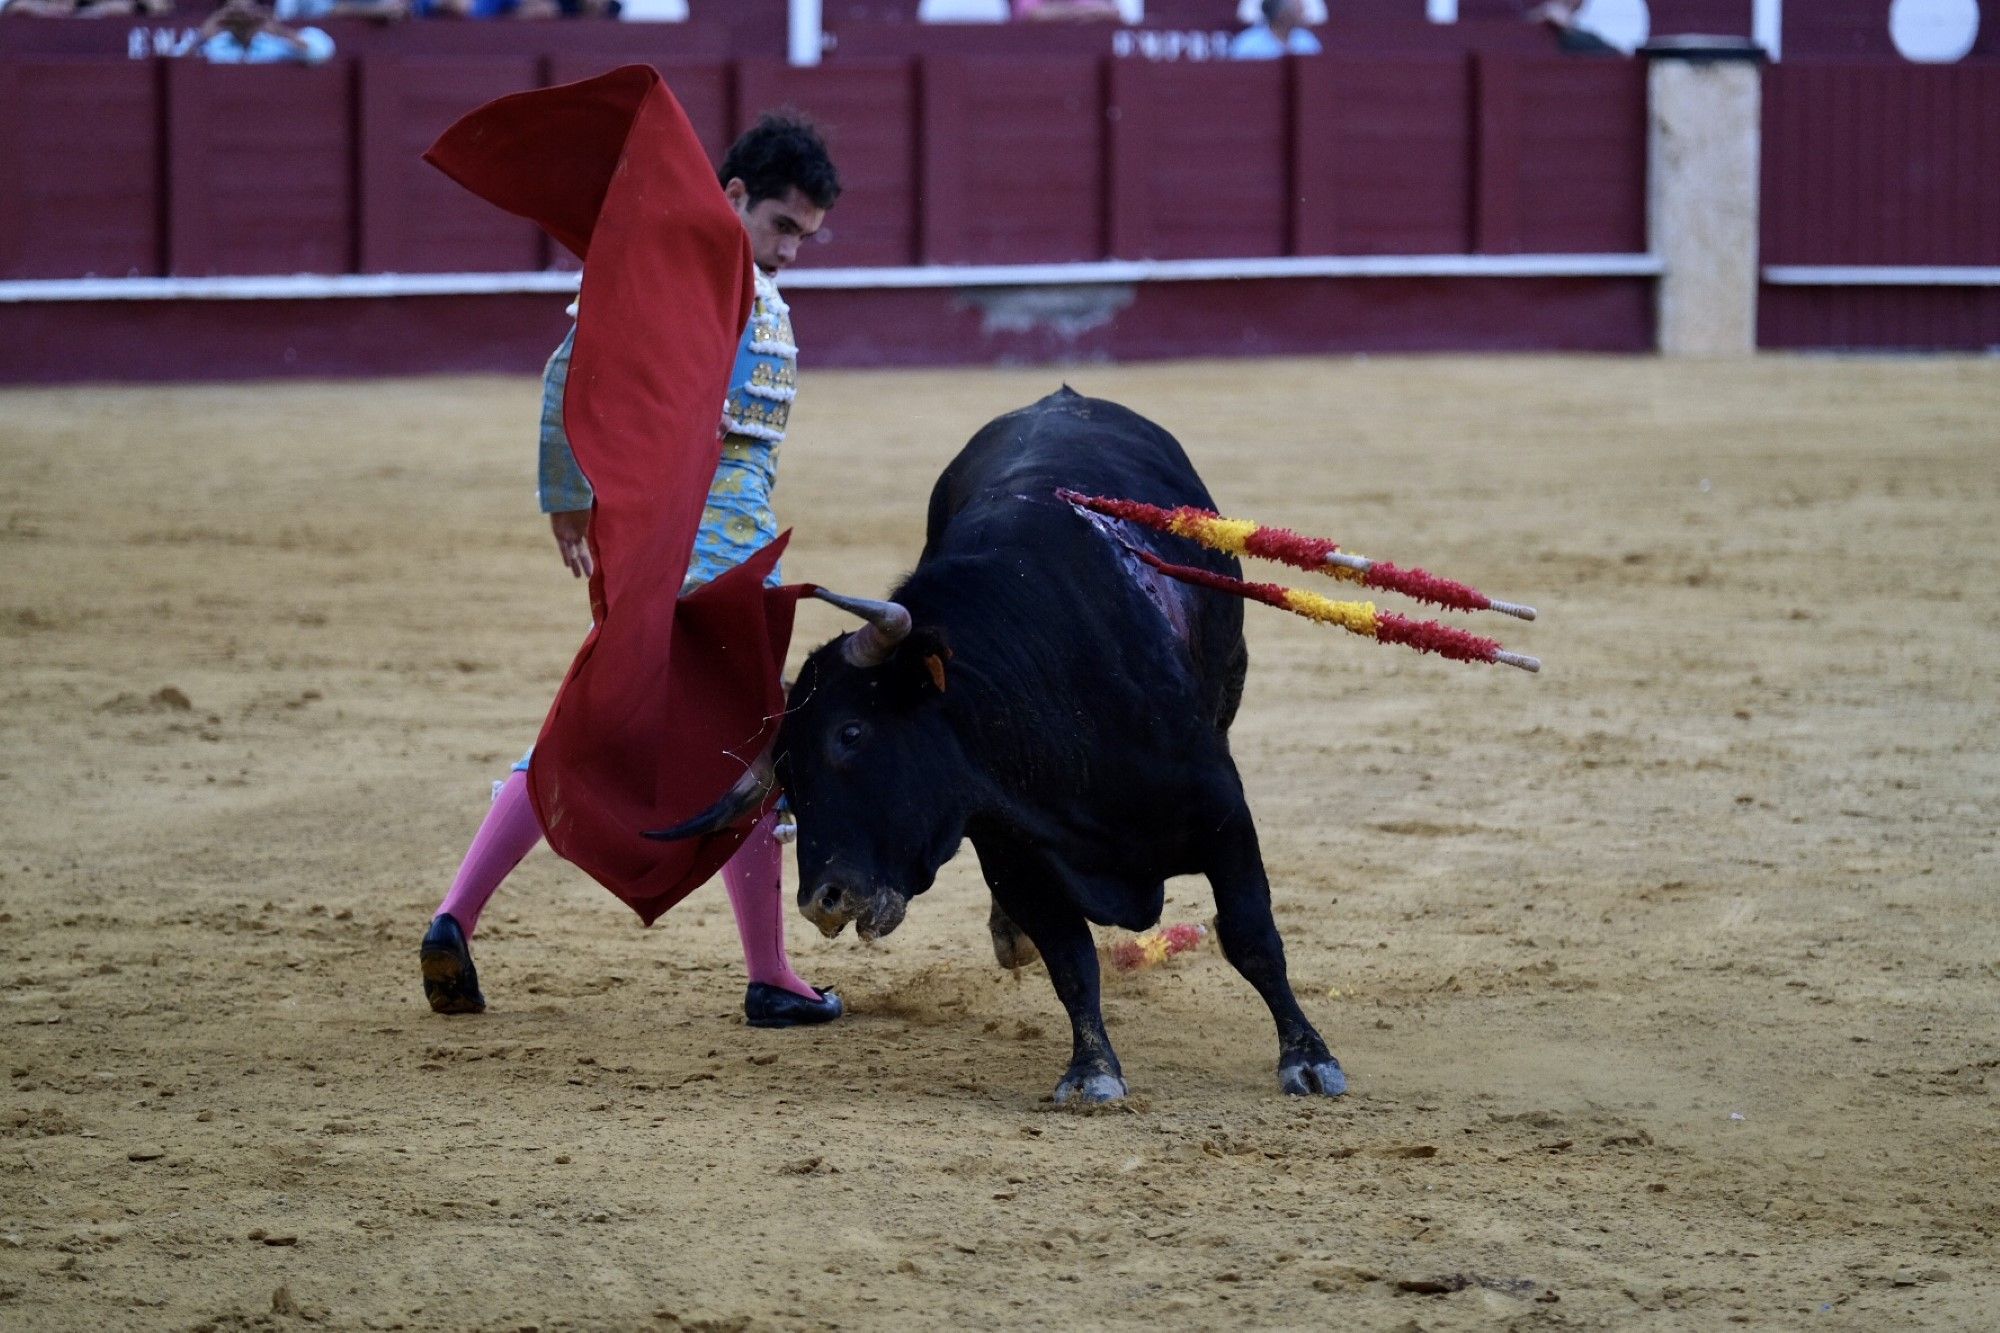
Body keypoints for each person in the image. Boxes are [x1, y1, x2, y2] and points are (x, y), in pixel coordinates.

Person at [421, 111, 846, 1030]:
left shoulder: (720, 277)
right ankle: (772, 974)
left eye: (806, 239)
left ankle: (454, 914)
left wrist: (578, 500)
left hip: (676, 553)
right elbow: (574, 362)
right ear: (732, 196)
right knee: (749, 755)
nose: (792, 252)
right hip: (715, 564)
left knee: (591, 734)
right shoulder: (693, 267)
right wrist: (564, 492)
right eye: (782, 228)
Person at [196, 0, 335, 61]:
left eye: (247, 12)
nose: (242, 19)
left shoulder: (274, 46)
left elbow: (322, 51)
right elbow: (178, 68)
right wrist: (202, 36)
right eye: (234, 14)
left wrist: (281, 32)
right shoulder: (212, 46)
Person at [1228, 0, 1321, 58]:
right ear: (1282, 14)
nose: (1303, 12)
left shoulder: (1307, 40)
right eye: (1298, 9)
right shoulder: (1248, 44)